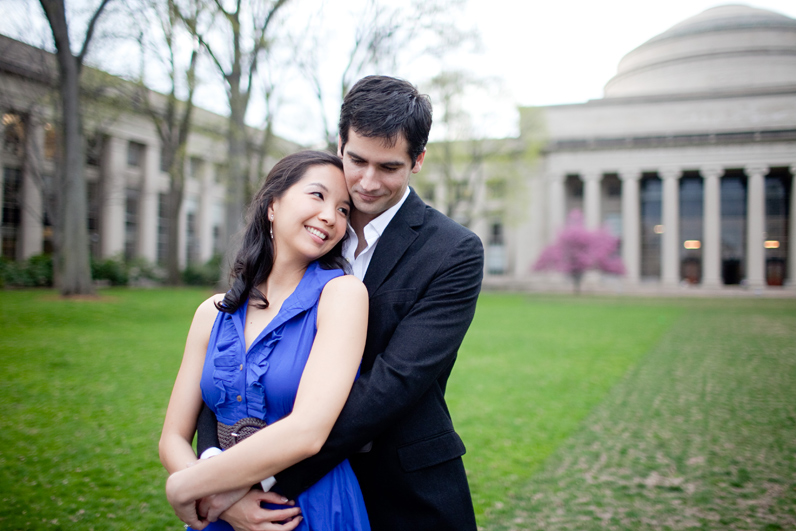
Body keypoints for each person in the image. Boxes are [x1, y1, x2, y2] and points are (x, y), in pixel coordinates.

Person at [208, 75, 484, 531]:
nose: (367, 182)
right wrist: (216, 462)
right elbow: (233, 351)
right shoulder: (309, 227)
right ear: (340, 143)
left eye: (389, 167)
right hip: (281, 488)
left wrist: (254, 478)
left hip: (404, 491)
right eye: (356, 160)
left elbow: (393, 382)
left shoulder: (453, 252)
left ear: (418, 161)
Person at [159, 150, 371, 531]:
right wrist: (224, 504)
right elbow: (173, 436)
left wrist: (187, 486)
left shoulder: (343, 296)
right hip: (218, 514)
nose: (330, 216)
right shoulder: (213, 312)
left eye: (344, 210)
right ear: (272, 204)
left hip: (306, 509)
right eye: (318, 196)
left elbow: (307, 431)